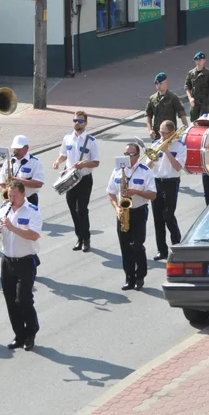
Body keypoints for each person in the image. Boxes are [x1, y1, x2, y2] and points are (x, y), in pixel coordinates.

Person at [0, 180, 43, 351]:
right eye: (9, 195)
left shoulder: (32, 211)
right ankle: (19, 335)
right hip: (7, 261)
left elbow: (34, 235)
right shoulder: (4, 209)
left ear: (23, 194)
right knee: (11, 301)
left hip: (26, 261)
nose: (10, 198)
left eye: (14, 196)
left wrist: (12, 228)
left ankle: (31, 331)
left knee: (23, 300)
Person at [107, 144, 156, 291]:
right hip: (123, 212)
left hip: (139, 211)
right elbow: (111, 193)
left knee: (137, 245)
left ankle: (140, 275)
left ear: (136, 155)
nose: (127, 157)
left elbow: (153, 195)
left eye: (130, 154)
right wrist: (117, 209)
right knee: (125, 247)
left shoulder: (145, 172)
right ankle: (129, 278)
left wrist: (136, 191)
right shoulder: (117, 171)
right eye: (125, 153)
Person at [52, 110, 100, 252]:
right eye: (75, 120)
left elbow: (96, 162)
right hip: (70, 179)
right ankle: (79, 237)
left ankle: (86, 238)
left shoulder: (91, 141)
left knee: (82, 210)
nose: (77, 123)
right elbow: (63, 155)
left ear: (85, 123)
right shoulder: (67, 138)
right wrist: (57, 162)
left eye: (80, 121)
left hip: (84, 179)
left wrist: (83, 164)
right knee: (73, 210)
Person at [146, 120, 185, 261]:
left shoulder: (180, 146)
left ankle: (177, 246)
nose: (161, 135)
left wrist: (167, 151)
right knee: (158, 218)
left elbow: (178, 167)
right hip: (156, 182)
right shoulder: (156, 143)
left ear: (172, 132)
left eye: (164, 133)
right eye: (160, 132)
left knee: (168, 215)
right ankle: (161, 250)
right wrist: (152, 158)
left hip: (171, 182)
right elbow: (148, 166)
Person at [0, 134, 44, 206]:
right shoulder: (8, 161)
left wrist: (19, 181)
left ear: (26, 148)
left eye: (19, 149)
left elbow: (39, 184)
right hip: (11, 200)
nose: (16, 151)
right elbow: (1, 181)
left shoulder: (35, 162)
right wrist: (6, 193)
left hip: (28, 200)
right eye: (15, 148)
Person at [144, 72, 188, 140]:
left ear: (166, 83)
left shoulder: (173, 97)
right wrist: (150, 130)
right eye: (156, 83)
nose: (158, 85)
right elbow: (148, 115)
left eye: (160, 83)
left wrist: (186, 128)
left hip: (170, 134)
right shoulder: (152, 98)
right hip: (158, 134)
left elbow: (181, 113)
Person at [184, 51, 209, 121]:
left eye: (200, 60)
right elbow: (187, 86)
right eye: (197, 60)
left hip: (204, 103)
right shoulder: (191, 73)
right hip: (194, 102)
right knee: (194, 121)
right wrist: (190, 98)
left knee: (204, 121)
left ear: (204, 60)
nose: (198, 62)